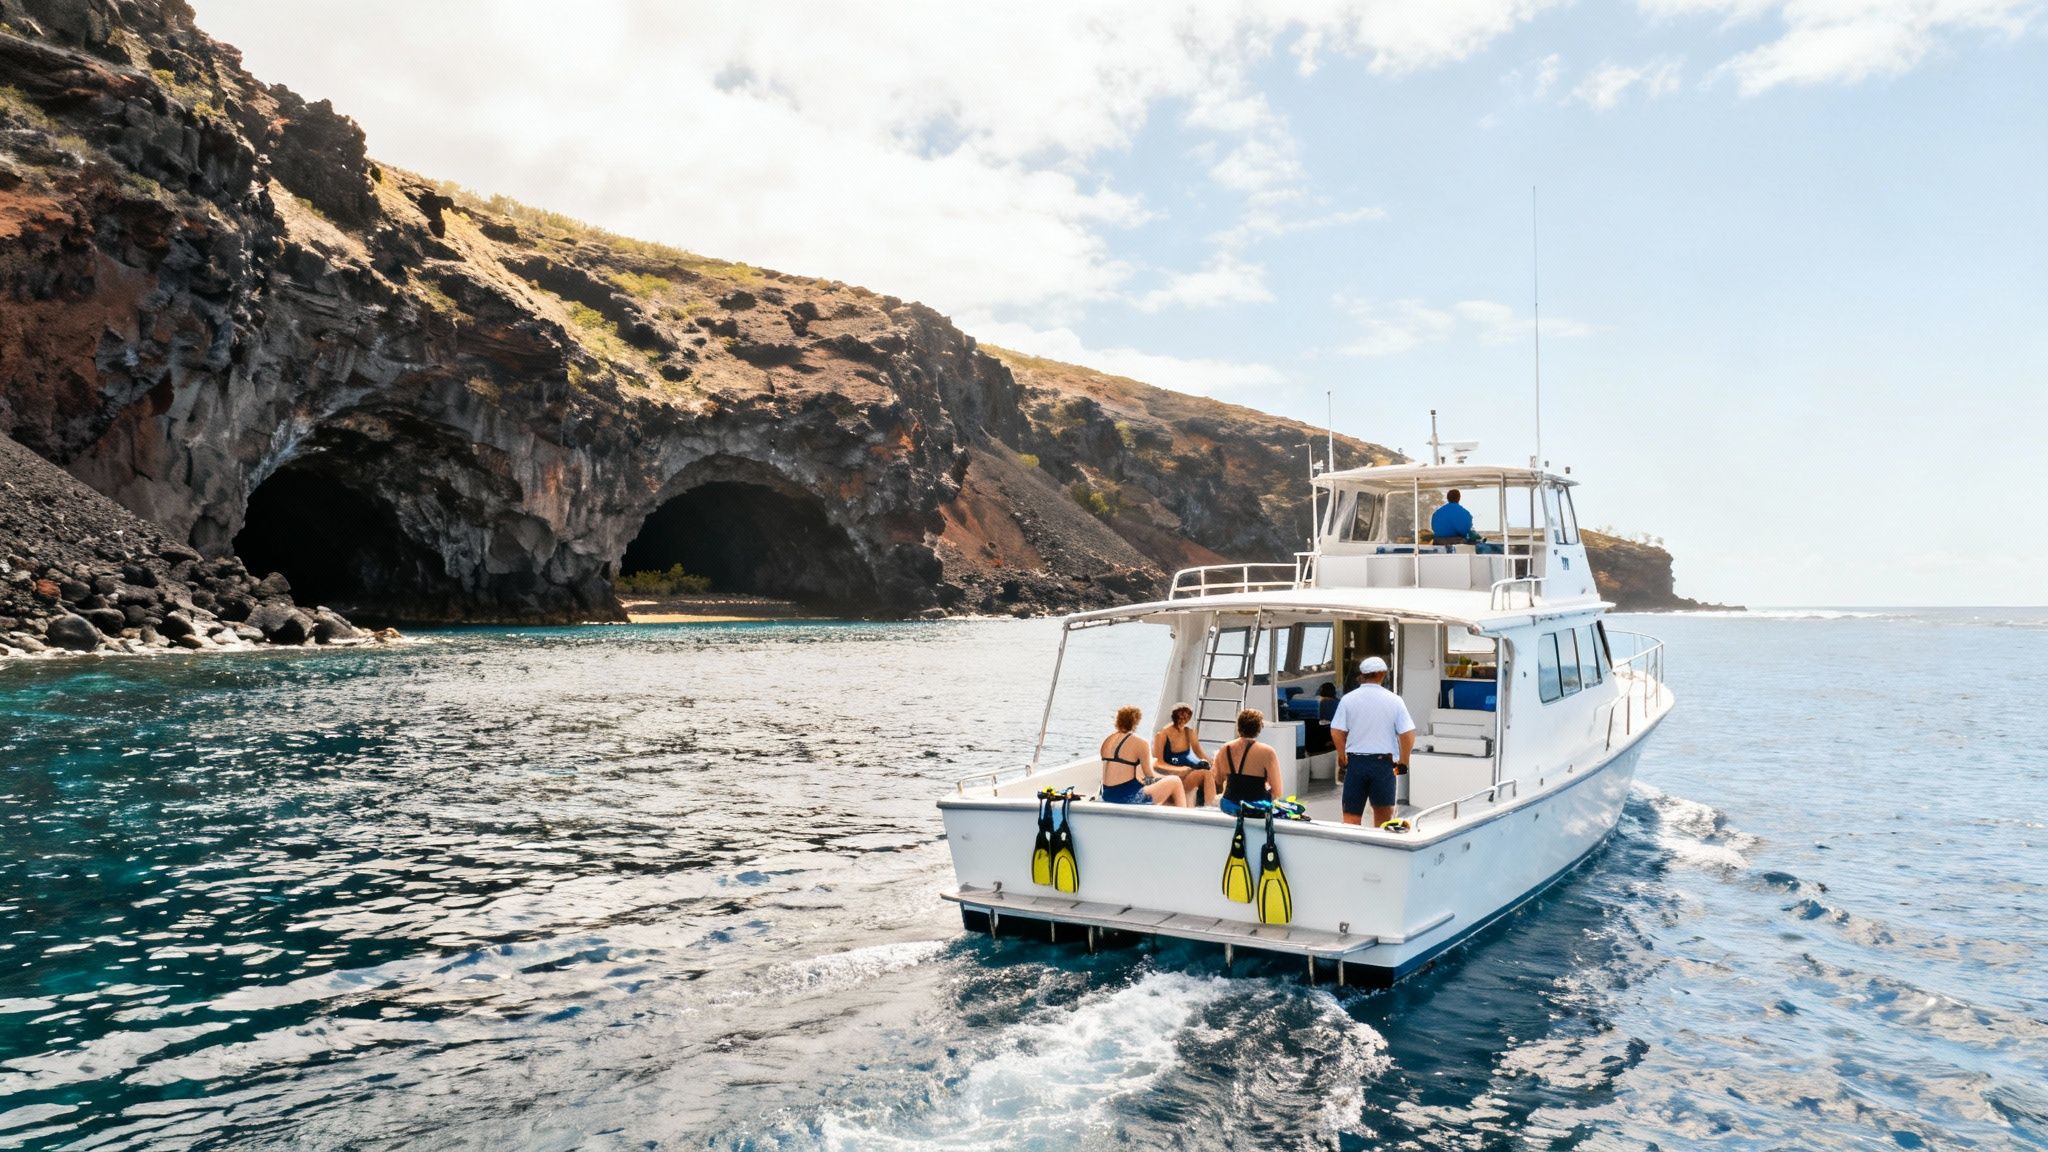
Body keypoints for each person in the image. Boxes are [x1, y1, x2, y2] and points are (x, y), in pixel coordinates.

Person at [1330, 656, 1415, 828]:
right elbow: (1407, 734)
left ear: (1363, 674)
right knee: (1384, 820)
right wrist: (1404, 761)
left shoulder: (1348, 699)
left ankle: (1352, 852)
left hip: (1356, 763)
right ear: (1383, 674)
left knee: (1351, 819)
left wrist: (1342, 755)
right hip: (1383, 765)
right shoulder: (1395, 700)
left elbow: (1337, 730)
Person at [1099, 705, 1187, 806]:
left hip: (1107, 795)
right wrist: (1167, 777)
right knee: (1175, 781)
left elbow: (1120, 769)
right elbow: (1150, 777)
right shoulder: (1140, 743)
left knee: (1155, 787)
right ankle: (1184, 817)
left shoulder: (1107, 741)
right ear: (1136, 722)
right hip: (1126, 798)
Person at [1214, 708, 1280, 816]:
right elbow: (1277, 792)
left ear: (1238, 727)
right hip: (1255, 805)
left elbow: (1218, 779)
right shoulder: (1267, 751)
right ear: (1259, 729)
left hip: (1228, 804)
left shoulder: (1225, 748)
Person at [1153, 705, 1218, 806]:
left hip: (1186, 775)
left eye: (1187, 716)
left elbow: (1200, 753)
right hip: (1170, 778)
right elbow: (1157, 764)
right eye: (1181, 715)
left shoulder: (1189, 732)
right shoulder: (1162, 735)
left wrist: (1214, 764)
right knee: (1205, 774)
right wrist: (1179, 770)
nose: (1184, 719)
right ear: (1174, 715)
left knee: (1208, 773)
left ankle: (1211, 807)